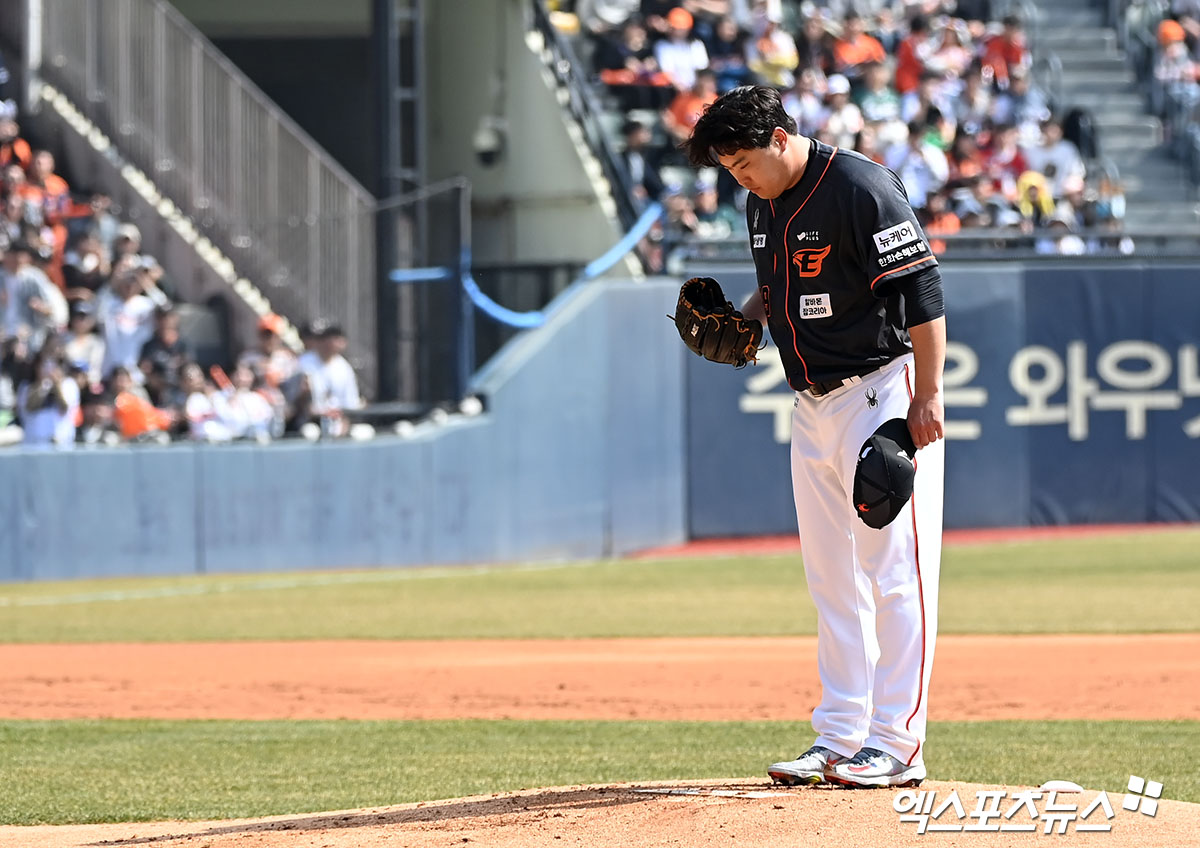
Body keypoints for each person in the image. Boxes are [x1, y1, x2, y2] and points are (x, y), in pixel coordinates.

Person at [681, 85, 946, 788]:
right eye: (725, 166)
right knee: (832, 578)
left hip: (880, 396)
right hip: (811, 406)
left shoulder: (859, 186)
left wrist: (928, 396)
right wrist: (739, 326)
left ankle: (896, 744)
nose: (734, 174)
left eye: (740, 160)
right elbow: (774, 292)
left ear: (777, 138)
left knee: (895, 575)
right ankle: (839, 735)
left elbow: (922, 292)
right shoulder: (760, 202)